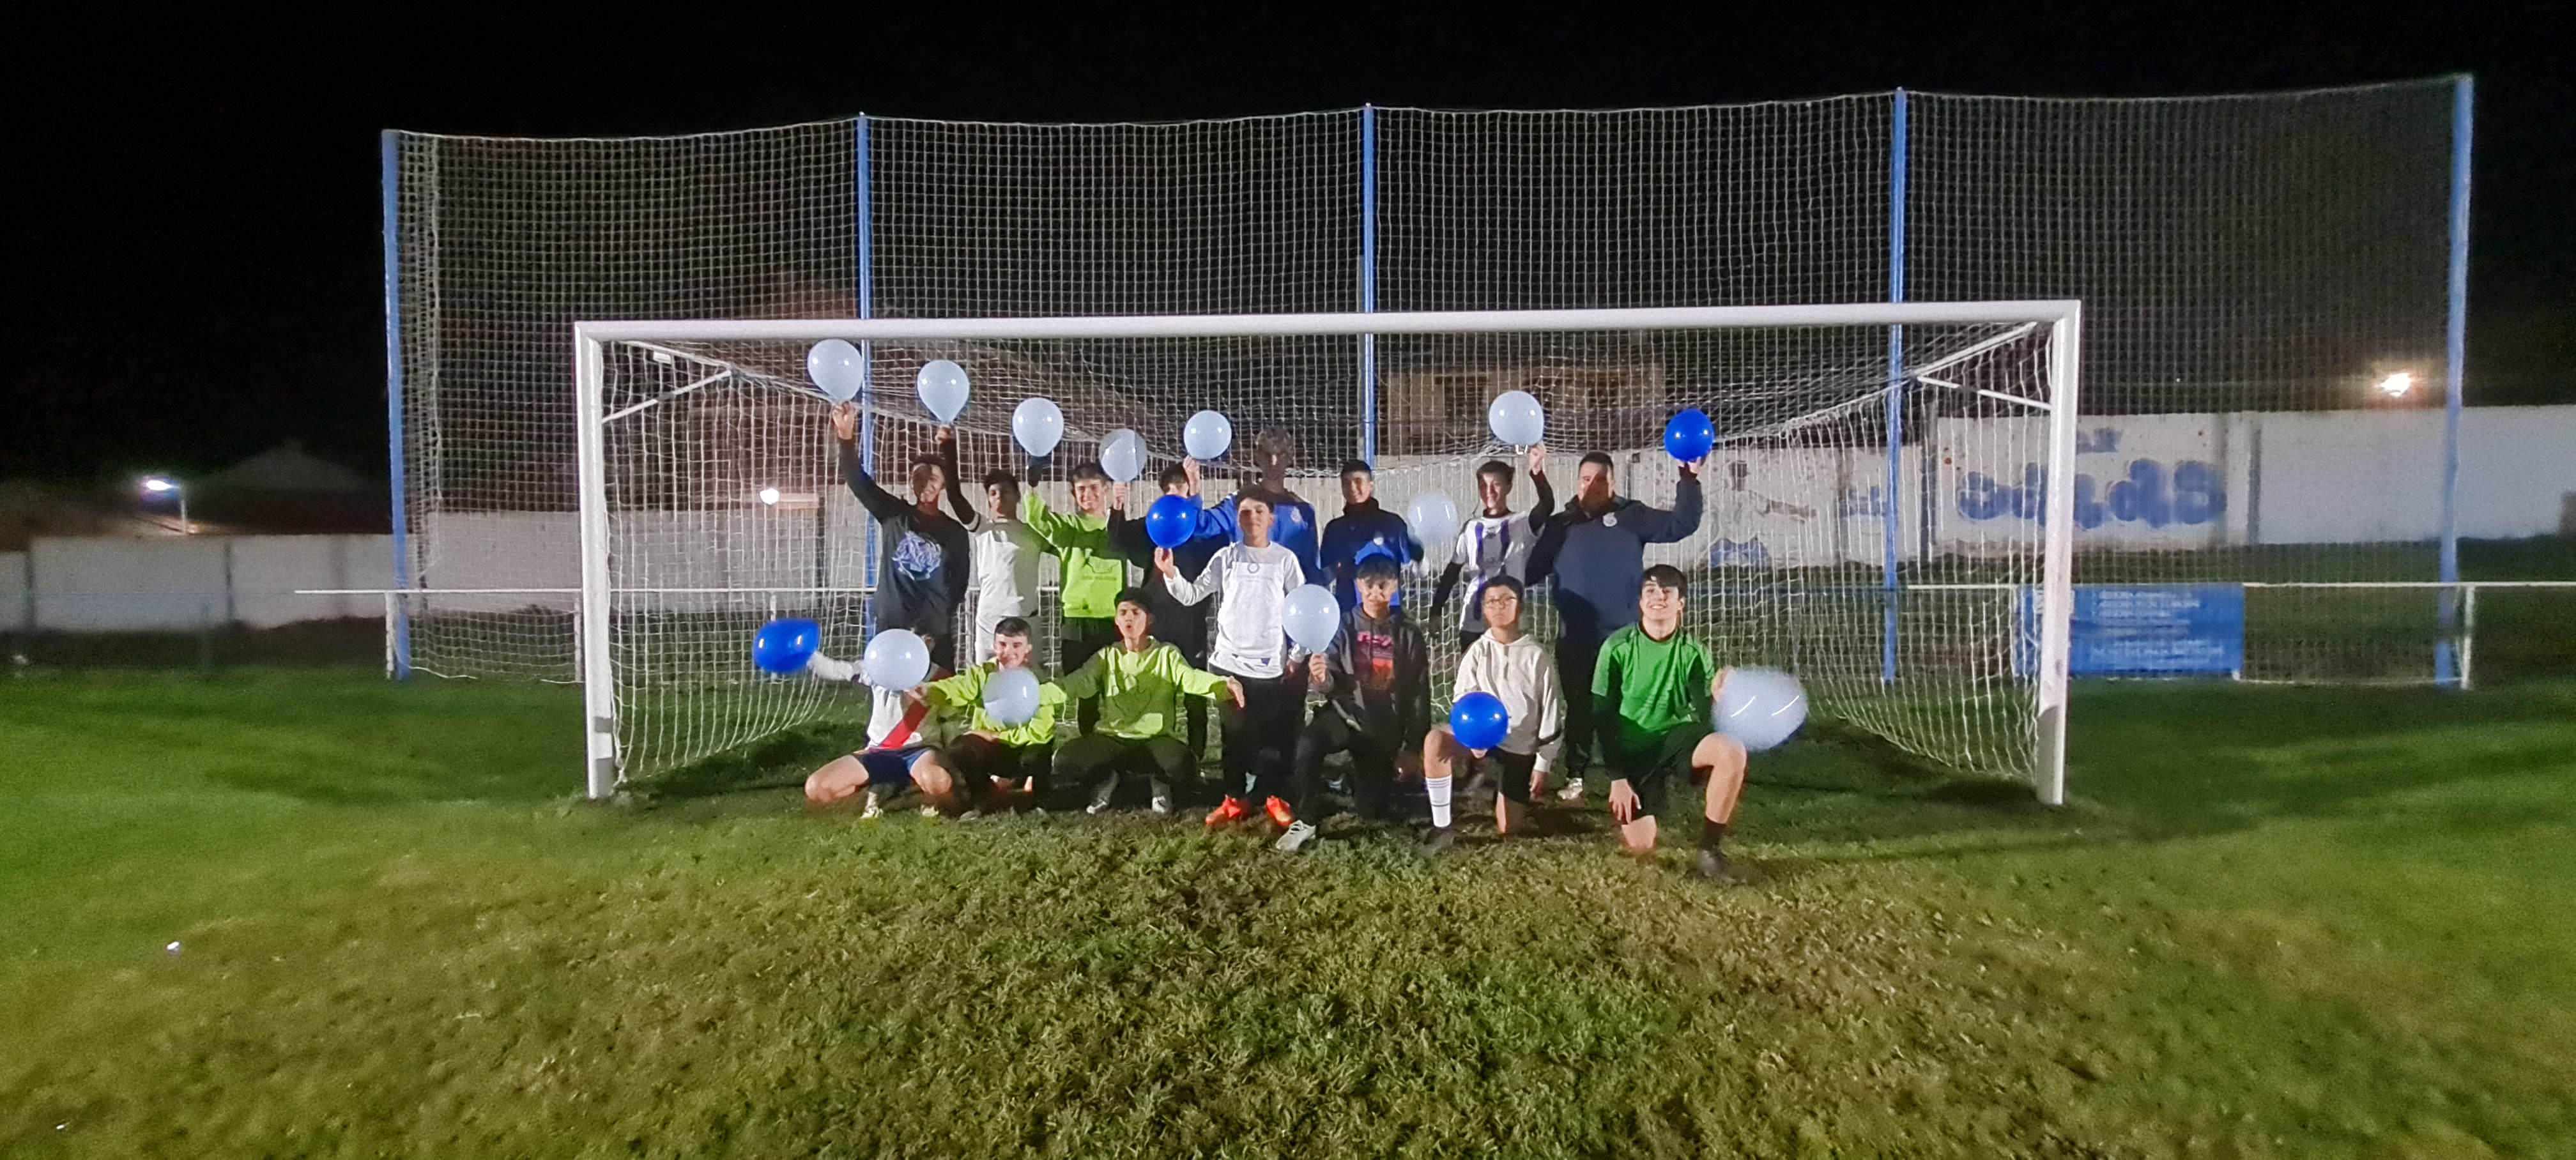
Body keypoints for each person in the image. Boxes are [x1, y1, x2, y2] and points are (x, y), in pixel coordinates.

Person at [1527, 448, 1702, 802]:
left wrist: (1689, 479)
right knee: (1580, 710)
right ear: (1577, 483)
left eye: (1600, 479)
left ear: (1613, 484)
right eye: (1585, 479)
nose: (1591, 485)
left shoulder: (1631, 516)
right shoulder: (1562, 525)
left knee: (1624, 709)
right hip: (1576, 637)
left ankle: (1625, 775)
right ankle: (1575, 775)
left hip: (1623, 639)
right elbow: (1531, 571)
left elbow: (1682, 524)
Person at [1157, 491, 1305, 831]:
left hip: (1269, 665)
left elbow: (1302, 610)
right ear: (1238, 520)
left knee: (1268, 739)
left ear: (1272, 520)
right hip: (1228, 664)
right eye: (1244, 512)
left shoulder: (1285, 560)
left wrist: (1296, 655)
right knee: (1232, 737)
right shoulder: (1225, 557)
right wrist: (1170, 573)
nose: (1251, 516)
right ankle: (1233, 799)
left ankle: (1272, 797)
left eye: (1259, 510)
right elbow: (1193, 594)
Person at [1591, 565, 1748, 881]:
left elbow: (1707, 716)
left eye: (1668, 591)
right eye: (1650, 591)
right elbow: (1603, 715)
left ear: (1681, 603)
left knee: (1731, 751)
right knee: (1641, 846)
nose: (1658, 597)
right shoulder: (1617, 648)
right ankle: (1647, 793)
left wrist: (1722, 700)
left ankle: (1709, 850)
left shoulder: (1694, 652)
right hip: (1633, 750)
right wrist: (1617, 777)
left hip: (1677, 739)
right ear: (1640, 602)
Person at [1278, 556, 1430, 852]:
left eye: (1384, 586)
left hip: (1382, 727)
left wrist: (1413, 748)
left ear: (1395, 586)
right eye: (1369, 585)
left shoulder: (1409, 633)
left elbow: (1419, 693)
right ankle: (1306, 819)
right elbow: (1329, 683)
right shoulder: (1342, 624)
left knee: (1371, 811)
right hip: (1344, 716)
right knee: (1308, 744)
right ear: (1359, 586)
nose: (1376, 593)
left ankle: (1350, 778)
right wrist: (1322, 680)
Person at [1048, 590, 1245, 815]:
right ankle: (1108, 778)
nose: (1129, 618)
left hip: (1156, 739)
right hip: (1113, 738)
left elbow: (1191, 678)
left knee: (1182, 766)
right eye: (1123, 613)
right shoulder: (1106, 656)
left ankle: (1160, 782)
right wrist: (1042, 694)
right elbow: (1078, 682)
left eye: (1135, 612)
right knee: (1065, 762)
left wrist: (1223, 685)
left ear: (1149, 619)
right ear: (1116, 620)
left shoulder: (1166, 654)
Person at [1419, 575, 1564, 855]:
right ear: (1483, 610)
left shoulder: (1537, 656)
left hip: (1520, 747)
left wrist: (1543, 764)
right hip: (1482, 740)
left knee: (1508, 829)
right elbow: (1462, 701)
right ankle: (1442, 826)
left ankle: (1506, 787)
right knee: (1435, 741)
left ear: (1520, 606)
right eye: (1491, 602)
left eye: (1507, 600)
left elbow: (1551, 713)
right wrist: (1472, 737)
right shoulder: (1477, 652)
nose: (1499, 606)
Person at [1106, 461, 1229, 760]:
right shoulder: (1155, 524)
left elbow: (1222, 540)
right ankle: (1157, 757)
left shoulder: (1204, 531)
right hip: (1157, 623)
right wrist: (1118, 507)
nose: (1175, 496)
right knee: (1158, 691)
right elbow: (1119, 540)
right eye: (1169, 490)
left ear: (1190, 491)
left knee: (1195, 694)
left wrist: (1198, 499)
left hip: (1191, 623)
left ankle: (1196, 757)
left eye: (1182, 489)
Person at [832, 404, 971, 668]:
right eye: (919, 477)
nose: (926, 483)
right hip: (892, 626)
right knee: (891, 697)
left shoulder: (954, 533)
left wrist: (937, 624)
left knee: (934, 702)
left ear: (942, 485)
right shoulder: (894, 515)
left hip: (934, 633)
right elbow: (857, 480)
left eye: (933, 478)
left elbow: (958, 585)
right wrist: (846, 435)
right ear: (910, 481)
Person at [799, 636, 965, 818]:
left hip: (919, 751)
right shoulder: (876, 667)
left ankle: (897, 791)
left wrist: (955, 760)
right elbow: (836, 670)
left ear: (931, 644)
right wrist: (806, 654)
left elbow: (953, 722)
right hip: (878, 752)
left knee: (938, 782)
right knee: (817, 788)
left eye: (926, 639)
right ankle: (891, 794)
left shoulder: (940, 677)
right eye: (910, 637)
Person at [1022, 460, 1130, 732]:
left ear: (1106, 490)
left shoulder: (1119, 529)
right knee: (1085, 693)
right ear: (1073, 494)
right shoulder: (1068, 527)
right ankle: (1088, 755)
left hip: (1111, 619)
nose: (1087, 495)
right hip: (1075, 621)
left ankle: (1120, 751)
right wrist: (1033, 488)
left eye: (1094, 488)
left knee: (1117, 688)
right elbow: (1038, 520)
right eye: (1081, 489)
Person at [917, 616, 1065, 804]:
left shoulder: (1039, 681)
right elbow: (958, 687)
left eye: (1016, 645)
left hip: (1024, 748)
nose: (1008, 652)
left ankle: (1040, 796)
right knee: (961, 749)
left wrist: (995, 736)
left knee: (1036, 756)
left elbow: (1040, 733)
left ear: (1028, 649)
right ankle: (983, 794)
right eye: (1002, 644)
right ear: (994, 646)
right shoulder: (983, 674)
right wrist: (929, 691)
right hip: (992, 749)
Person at [1430, 443, 1554, 651]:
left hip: (1509, 624)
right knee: (1473, 681)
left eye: (1496, 484)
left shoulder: (1520, 524)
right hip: (1472, 622)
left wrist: (1537, 472)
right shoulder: (1471, 528)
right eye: (1483, 485)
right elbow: (1452, 572)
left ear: (1508, 487)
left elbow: (1547, 505)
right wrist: (1435, 611)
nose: (1489, 491)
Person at [1206, 425, 1321, 580]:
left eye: (1280, 455)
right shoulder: (1239, 503)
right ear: (1258, 457)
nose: (1273, 462)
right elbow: (1203, 525)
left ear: (1290, 458)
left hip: (1288, 601)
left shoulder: (1303, 511)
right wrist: (1191, 496)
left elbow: (1311, 568)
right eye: (1267, 455)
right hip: (1247, 599)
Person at [956, 467, 1045, 664]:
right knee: (986, 681)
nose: (999, 497)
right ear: (988, 499)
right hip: (990, 620)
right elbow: (956, 499)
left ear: (1017, 496)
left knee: (1033, 680)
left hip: (1025, 618)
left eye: (1005, 492)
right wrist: (948, 449)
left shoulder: (1035, 533)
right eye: (993, 493)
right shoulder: (983, 528)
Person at [1316, 459, 1416, 613]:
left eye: (1358, 481)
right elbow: (1326, 574)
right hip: (1349, 614)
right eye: (1346, 483)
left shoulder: (1392, 524)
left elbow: (1415, 568)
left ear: (1371, 486)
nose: (1352, 488)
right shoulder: (1335, 529)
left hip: (1386, 615)